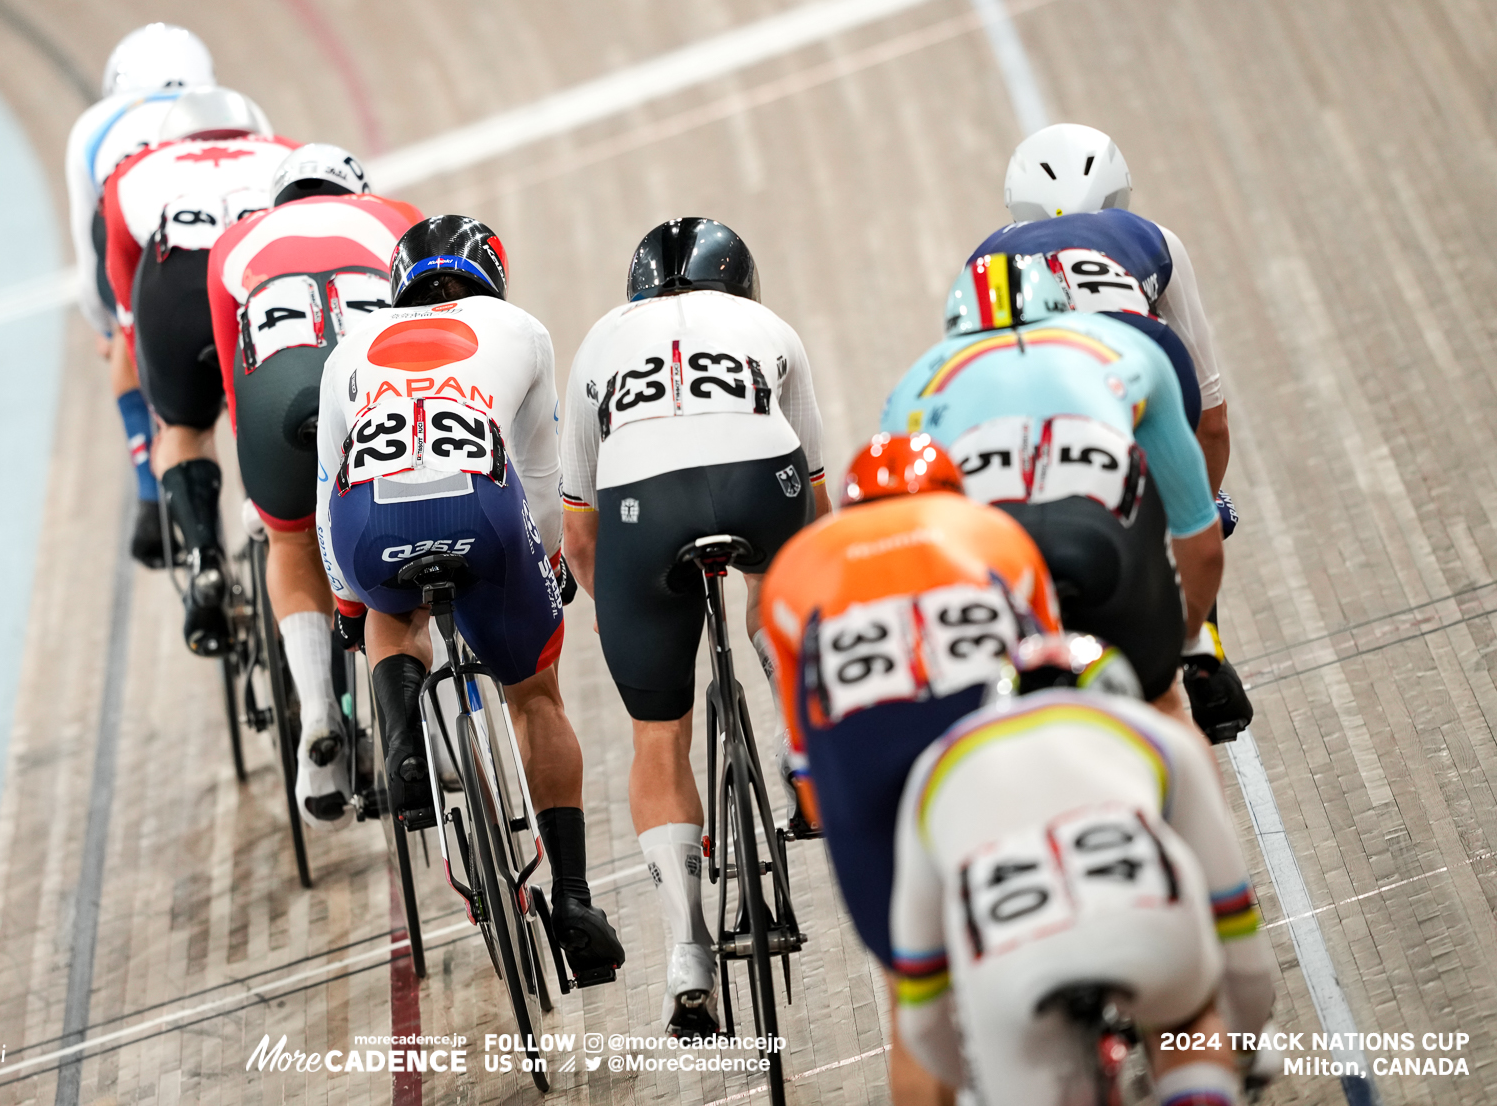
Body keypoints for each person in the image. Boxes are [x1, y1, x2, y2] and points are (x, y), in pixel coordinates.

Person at [316, 215, 624, 981]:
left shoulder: (346, 352)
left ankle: (404, 747)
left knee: (387, 615)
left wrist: (353, 607)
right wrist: (548, 565)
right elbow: (543, 481)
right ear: (493, 275)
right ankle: (576, 897)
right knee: (535, 696)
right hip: (478, 514)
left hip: (366, 523)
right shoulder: (519, 328)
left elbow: (327, 499)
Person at [558, 218, 827, 1037]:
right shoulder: (770, 329)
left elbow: (577, 536)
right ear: (741, 283)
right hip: (760, 477)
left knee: (658, 735)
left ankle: (686, 951)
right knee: (783, 573)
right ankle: (798, 742)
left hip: (645, 502)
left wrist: (639, 621)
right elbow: (818, 509)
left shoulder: (601, 341)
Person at [760, 432, 1061, 1105]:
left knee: (913, 1007)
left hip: (867, 768)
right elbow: (1060, 684)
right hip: (987, 748)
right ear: (949, 493)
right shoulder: (993, 530)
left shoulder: (799, 563)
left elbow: (805, 763)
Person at [890, 633, 1277, 1104]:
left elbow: (923, 1014)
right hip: (1150, 931)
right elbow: (1238, 937)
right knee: (1189, 1028)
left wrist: (980, 1086)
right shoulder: (1158, 735)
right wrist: (1242, 1046)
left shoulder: (933, 771)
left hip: (1010, 970)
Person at [980, 123, 1250, 739]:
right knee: (1180, 522)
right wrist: (1199, 506)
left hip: (1023, 458)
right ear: (1115, 196)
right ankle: (1201, 648)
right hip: (1130, 418)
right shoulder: (1154, 240)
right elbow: (1212, 418)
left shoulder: (982, 262)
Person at [881, 253, 1227, 727]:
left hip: (990, 569)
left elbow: (909, 559)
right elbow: (1201, 543)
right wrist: (1182, 642)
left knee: (975, 730)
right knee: (1161, 705)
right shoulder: (1127, 346)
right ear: (1063, 306)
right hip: (1103, 545)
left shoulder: (912, 386)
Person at [206, 144, 421, 825]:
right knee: (410, 522)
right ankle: (435, 719)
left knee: (291, 542)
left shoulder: (235, 241)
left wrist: (265, 498)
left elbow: (233, 378)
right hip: (369, 382)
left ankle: (318, 710)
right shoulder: (396, 215)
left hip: (279, 398)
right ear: (354, 189)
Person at [100, 87, 295, 652]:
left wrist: (150, 367)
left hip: (175, 293)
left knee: (181, 430)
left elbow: (124, 293)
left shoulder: (133, 171)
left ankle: (204, 550)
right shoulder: (286, 151)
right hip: (255, 281)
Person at [62, 24, 216, 566]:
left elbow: (91, 266)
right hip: (225, 245)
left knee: (132, 329)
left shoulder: (93, 127)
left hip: (143, 259)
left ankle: (150, 495)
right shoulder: (228, 107)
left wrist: (108, 328)